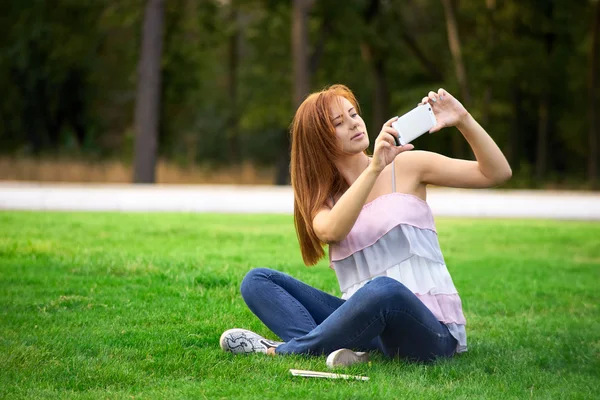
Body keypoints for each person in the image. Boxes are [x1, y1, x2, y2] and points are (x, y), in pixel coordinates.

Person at [220, 84, 512, 367]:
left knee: (384, 289)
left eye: (353, 114)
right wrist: (374, 169)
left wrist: (464, 119)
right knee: (257, 281)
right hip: (368, 330)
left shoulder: (408, 166)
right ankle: (340, 351)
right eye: (338, 122)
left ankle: (290, 351)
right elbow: (331, 230)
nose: (353, 124)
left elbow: (496, 173)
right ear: (319, 140)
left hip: (429, 332)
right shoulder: (326, 200)